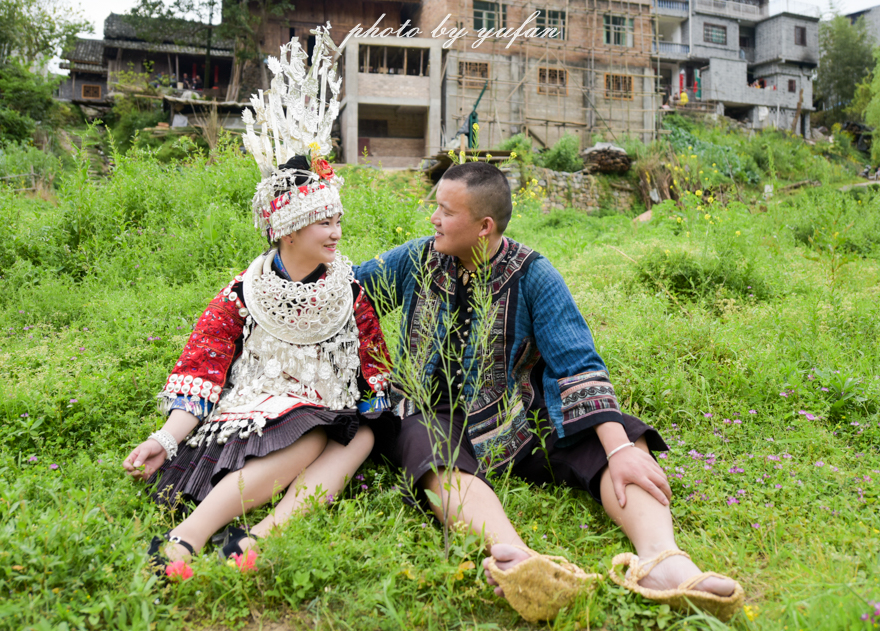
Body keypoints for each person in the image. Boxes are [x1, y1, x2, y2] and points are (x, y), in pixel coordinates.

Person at [355, 161, 743, 621]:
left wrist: (618, 449)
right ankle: (517, 560)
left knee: (622, 436)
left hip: (517, 418)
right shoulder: (415, 259)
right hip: (431, 412)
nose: (433, 219)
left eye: (445, 211)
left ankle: (664, 560)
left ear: (484, 227)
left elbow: (578, 361)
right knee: (427, 447)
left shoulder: (535, 275)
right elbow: (345, 292)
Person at [122, 26, 392, 568]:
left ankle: (261, 536)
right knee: (314, 431)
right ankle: (187, 537)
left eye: (338, 219)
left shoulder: (348, 290)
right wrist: (168, 439)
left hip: (327, 413)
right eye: (322, 222)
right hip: (257, 420)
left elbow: (372, 364)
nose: (336, 233)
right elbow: (202, 372)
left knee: (357, 435)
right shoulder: (244, 294)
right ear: (287, 231)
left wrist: (379, 406)